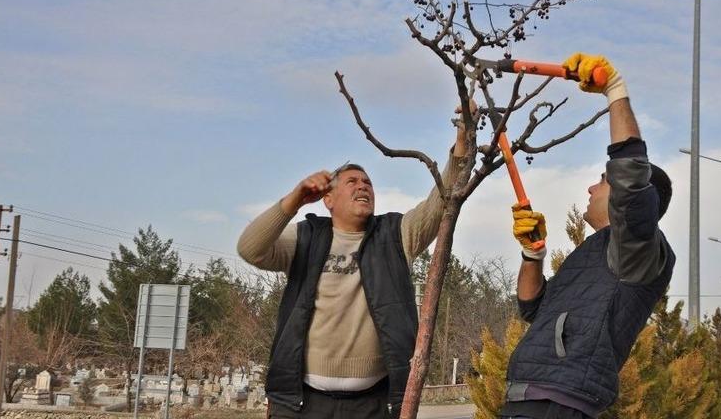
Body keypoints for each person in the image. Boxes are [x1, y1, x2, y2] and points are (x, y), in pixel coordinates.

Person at [237, 103, 473, 419]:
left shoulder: (395, 235)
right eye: (352, 182)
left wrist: (463, 138)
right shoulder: (306, 238)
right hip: (302, 403)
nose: (363, 186)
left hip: (374, 404)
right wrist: (294, 200)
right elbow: (250, 249)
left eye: (367, 183)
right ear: (328, 199)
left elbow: (441, 202)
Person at [500, 53, 675, 419]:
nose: (592, 188)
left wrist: (614, 89)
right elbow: (533, 308)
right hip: (533, 395)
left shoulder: (637, 250)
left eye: (602, 180)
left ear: (628, 197)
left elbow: (630, 176)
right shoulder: (596, 250)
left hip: (558, 403)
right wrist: (533, 255)